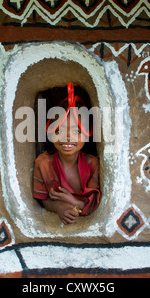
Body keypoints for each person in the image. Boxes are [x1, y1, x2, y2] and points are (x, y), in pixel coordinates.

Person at [32, 82, 100, 225]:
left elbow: (94, 204)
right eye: (59, 130)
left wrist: (72, 201)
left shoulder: (93, 164)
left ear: (87, 135)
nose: (67, 137)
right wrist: (58, 207)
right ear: (50, 133)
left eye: (77, 131)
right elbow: (42, 200)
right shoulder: (43, 164)